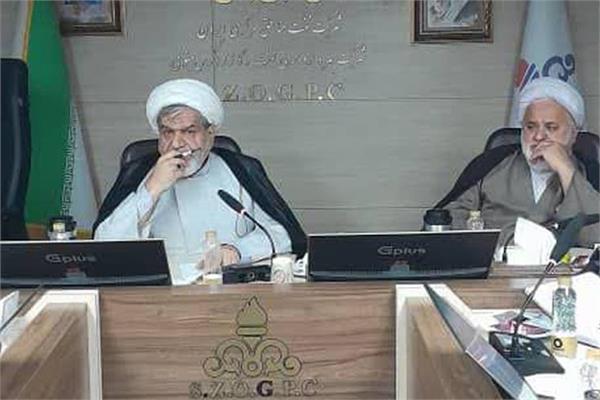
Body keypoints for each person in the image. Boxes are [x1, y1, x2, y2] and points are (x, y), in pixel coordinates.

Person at [94, 79, 306, 282]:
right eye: (167, 132)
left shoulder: (240, 169)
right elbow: (104, 247)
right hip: (162, 292)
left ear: (210, 133)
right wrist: (152, 189)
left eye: (189, 131)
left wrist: (237, 250)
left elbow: (282, 235)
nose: (176, 143)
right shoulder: (140, 174)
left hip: (229, 286)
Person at [441, 77, 599, 247]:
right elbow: (445, 222)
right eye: (530, 127)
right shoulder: (491, 165)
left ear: (574, 134)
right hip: (495, 260)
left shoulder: (590, 174)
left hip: (557, 264)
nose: (539, 136)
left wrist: (566, 169)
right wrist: (503, 240)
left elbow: (595, 237)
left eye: (551, 127)